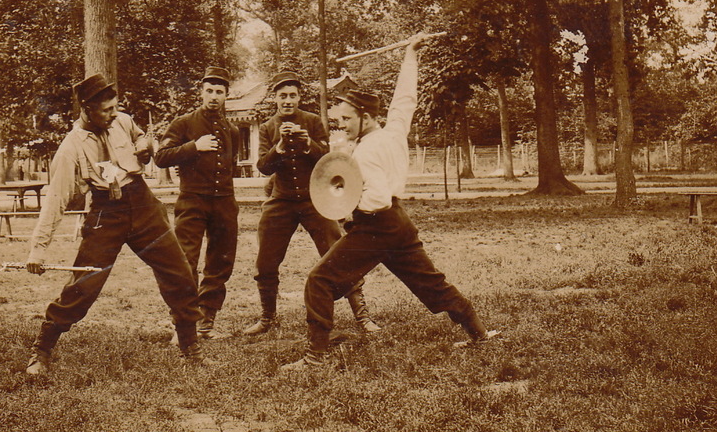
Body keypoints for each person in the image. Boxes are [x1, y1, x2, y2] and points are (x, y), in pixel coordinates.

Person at [281, 34, 499, 371]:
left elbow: (377, 198)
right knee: (432, 284)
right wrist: (410, 55)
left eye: (347, 119)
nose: (342, 124)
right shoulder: (393, 131)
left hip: (376, 225)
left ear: (366, 117)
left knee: (319, 281)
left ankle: (315, 357)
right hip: (398, 225)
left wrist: (349, 209)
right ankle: (479, 334)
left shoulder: (366, 151)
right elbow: (404, 100)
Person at [24, 74, 206, 375]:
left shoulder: (120, 120)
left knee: (180, 272)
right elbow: (56, 200)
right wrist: (38, 250)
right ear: (87, 109)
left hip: (143, 203)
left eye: (115, 107)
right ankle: (42, 350)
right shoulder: (71, 148)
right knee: (85, 284)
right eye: (106, 110)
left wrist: (144, 146)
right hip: (106, 213)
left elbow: (138, 137)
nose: (114, 114)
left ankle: (192, 351)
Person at [244, 71, 381, 336]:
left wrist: (308, 143)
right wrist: (280, 146)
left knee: (338, 252)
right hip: (281, 200)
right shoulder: (267, 127)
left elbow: (328, 159)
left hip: (314, 199)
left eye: (292, 96)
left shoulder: (313, 121)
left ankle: (362, 316)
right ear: (275, 99)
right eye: (282, 96)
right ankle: (267, 317)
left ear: (299, 97)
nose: (287, 101)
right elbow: (262, 166)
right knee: (265, 261)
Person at [154, 67, 241, 340]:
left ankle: (206, 323)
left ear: (227, 95)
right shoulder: (184, 124)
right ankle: (183, 324)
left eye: (219, 92)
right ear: (201, 92)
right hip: (192, 201)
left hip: (224, 202)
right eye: (209, 91)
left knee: (220, 263)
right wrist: (194, 146)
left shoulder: (232, 130)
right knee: (185, 263)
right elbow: (161, 157)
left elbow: (231, 165)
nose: (214, 97)